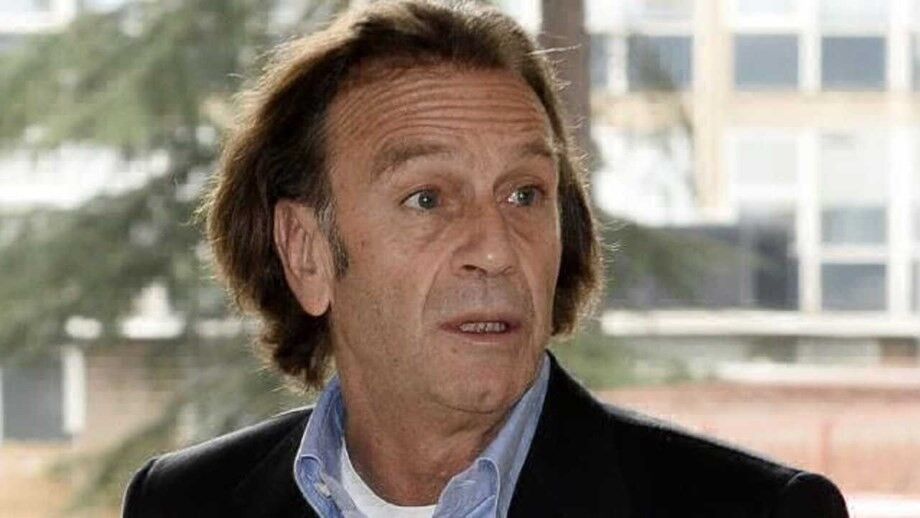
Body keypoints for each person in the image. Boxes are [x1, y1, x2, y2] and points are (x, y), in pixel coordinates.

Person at [122, 1, 849, 516]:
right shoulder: (184, 503)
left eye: (525, 195)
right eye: (428, 199)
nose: (497, 250)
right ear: (306, 252)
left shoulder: (753, 510)